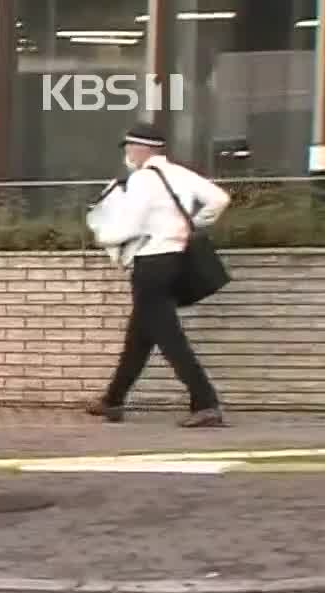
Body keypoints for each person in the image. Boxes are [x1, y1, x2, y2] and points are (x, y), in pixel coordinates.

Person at [84, 123, 230, 429]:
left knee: (169, 338)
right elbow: (219, 199)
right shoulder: (178, 174)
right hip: (175, 259)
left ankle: (206, 403)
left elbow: (130, 226)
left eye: (128, 148)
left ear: (140, 148)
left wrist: (103, 237)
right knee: (140, 336)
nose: (126, 154)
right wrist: (192, 224)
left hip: (151, 263)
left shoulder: (142, 181)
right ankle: (113, 400)